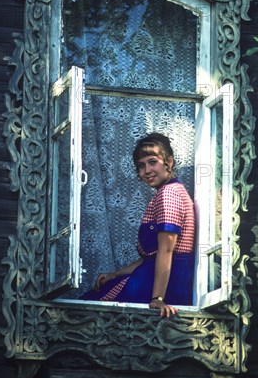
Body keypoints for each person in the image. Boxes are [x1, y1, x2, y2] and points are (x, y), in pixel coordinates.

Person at [80, 132, 195, 318]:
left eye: (152, 162)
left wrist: (158, 298)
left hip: (165, 282)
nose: (146, 170)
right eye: (141, 166)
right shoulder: (167, 192)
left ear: (169, 162)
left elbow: (166, 251)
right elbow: (152, 256)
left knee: (91, 314)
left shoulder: (169, 195)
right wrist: (115, 274)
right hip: (151, 275)